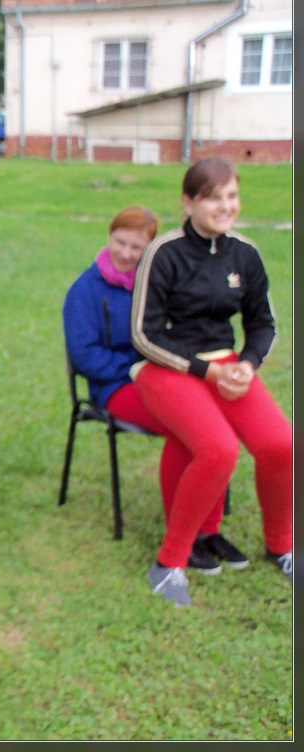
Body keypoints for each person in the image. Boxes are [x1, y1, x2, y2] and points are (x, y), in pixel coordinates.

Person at [130, 157, 293, 607]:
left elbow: (262, 323)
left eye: (232, 196)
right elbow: (143, 335)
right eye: (213, 198)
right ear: (188, 202)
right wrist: (209, 371)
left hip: (226, 366)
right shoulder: (163, 252)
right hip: (166, 368)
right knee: (219, 449)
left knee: (281, 444)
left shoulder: (245, 253)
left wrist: (248, 364)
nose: (225, 206)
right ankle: (169, 563)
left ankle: (282, 546)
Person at [62, 206, 243, 575]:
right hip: (117, 387)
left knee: (212, 419)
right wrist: (138, 367)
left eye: (137, 247)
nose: (126, 253)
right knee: (189, 426)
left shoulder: (158, 282)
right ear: (109, 237)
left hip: (164, 379)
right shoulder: (84, 290)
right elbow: (85, 357)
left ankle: (208, 531)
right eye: (120, 242)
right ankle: (185, 535)